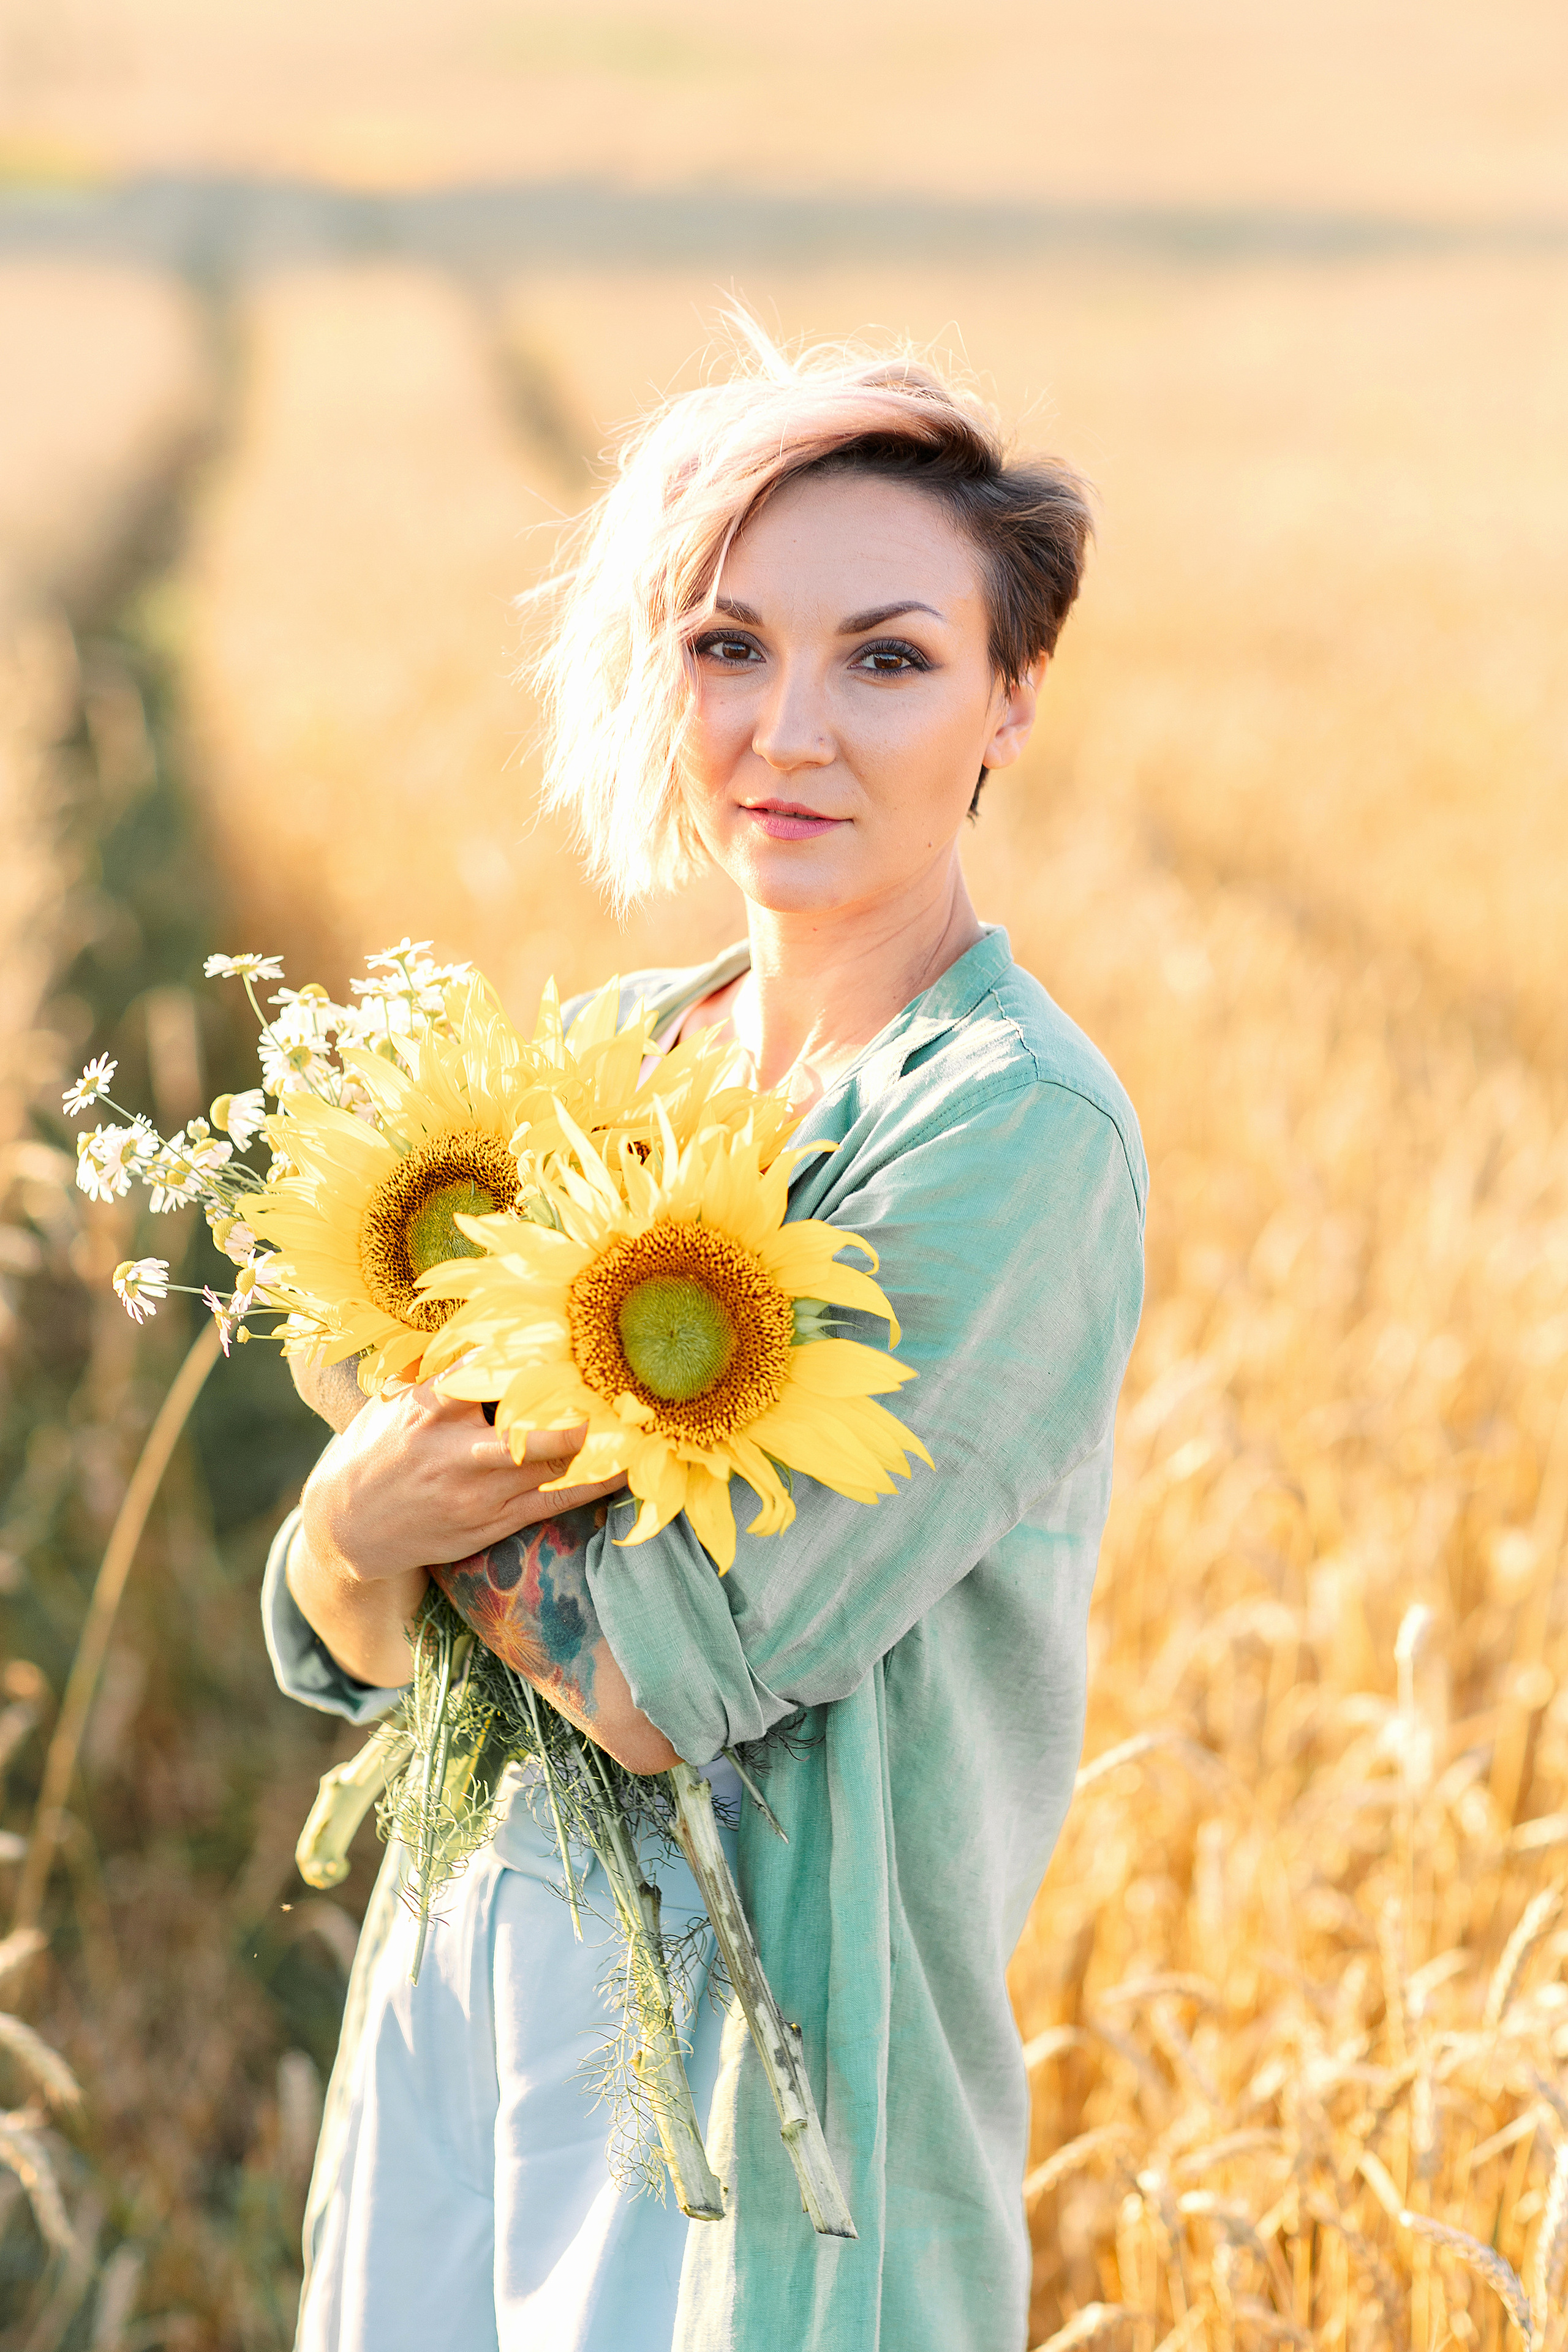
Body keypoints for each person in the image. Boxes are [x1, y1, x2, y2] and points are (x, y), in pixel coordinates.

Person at [263, 320, 1147, 2352]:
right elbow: (333, 1640)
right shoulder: (600, 1064)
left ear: (1012, 703)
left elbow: (666, 1676)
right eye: (731, 646)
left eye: (891, 658)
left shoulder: (1007, 1131)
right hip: (467, 2002)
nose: (791, 730)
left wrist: (388, 1499)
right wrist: (349, 1521)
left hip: (767, 2099)